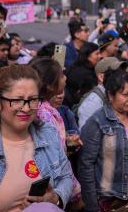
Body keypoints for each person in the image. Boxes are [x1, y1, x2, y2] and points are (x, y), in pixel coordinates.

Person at [0, 65, 73, 211]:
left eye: (33, 100)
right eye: (17, 100)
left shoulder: (48, 132)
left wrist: (55, 198)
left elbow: (66, 176)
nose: (26, 108)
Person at [78, 69, 128, 212]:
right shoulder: (97, 122)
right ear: (110, 95)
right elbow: (86, 167)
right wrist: (92, 206)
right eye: (125, 94)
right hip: (115, 200)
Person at [30, 58, 81, 202]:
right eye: (62, 75)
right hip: (54, 185)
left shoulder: (45, 108)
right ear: (50, 86)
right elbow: (53, 157)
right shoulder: (44, 113)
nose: (65, 77)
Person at [76, 57, 123, 131]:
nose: (122, 75)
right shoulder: (91, 104)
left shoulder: (123, 95)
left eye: (122, 71)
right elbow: (87, 137)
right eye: (115, 73)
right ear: (101, 77)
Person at [65, 42, 100, 107]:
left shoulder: (74, 66)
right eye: (97, 54)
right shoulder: (88, 76)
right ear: (88, 56)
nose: (100, 56)